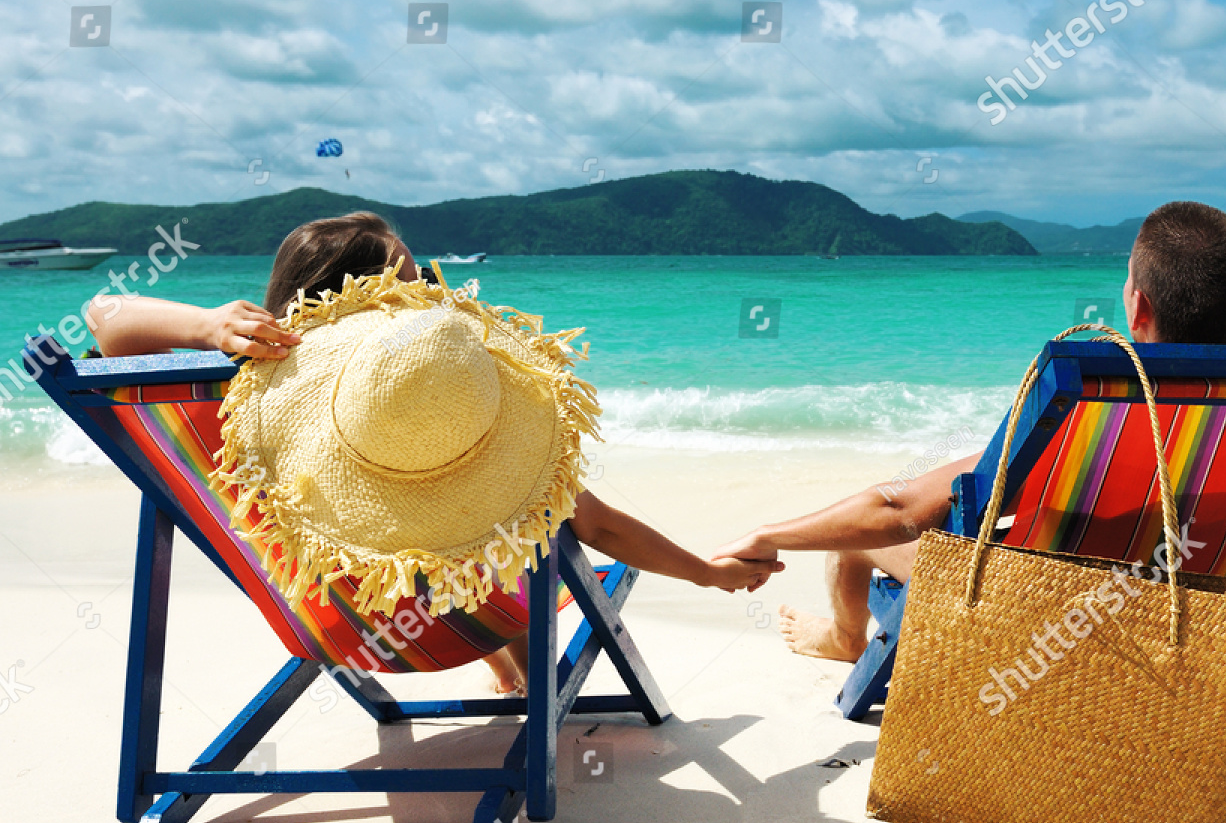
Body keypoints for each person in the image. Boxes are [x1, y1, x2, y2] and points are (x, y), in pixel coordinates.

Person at [89, 211, 781, 693]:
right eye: (412, 282)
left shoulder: (240, 401)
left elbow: (103, 316)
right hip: (451, 626)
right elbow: (593, 524)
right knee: (494, 506)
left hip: (319, 622)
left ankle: (510, 673)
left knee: (448, 515)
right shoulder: (421, 410)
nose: (427, 296)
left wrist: (208, 325)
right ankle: (520, 673)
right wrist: (708, 574)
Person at [712, 200, 1226, 663]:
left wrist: (769, 536)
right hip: (1181, 616)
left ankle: (843, 639)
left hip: (1046, 622)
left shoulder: (1092, 407)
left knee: (859, 545)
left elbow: (897, 511)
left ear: (1137, 303)